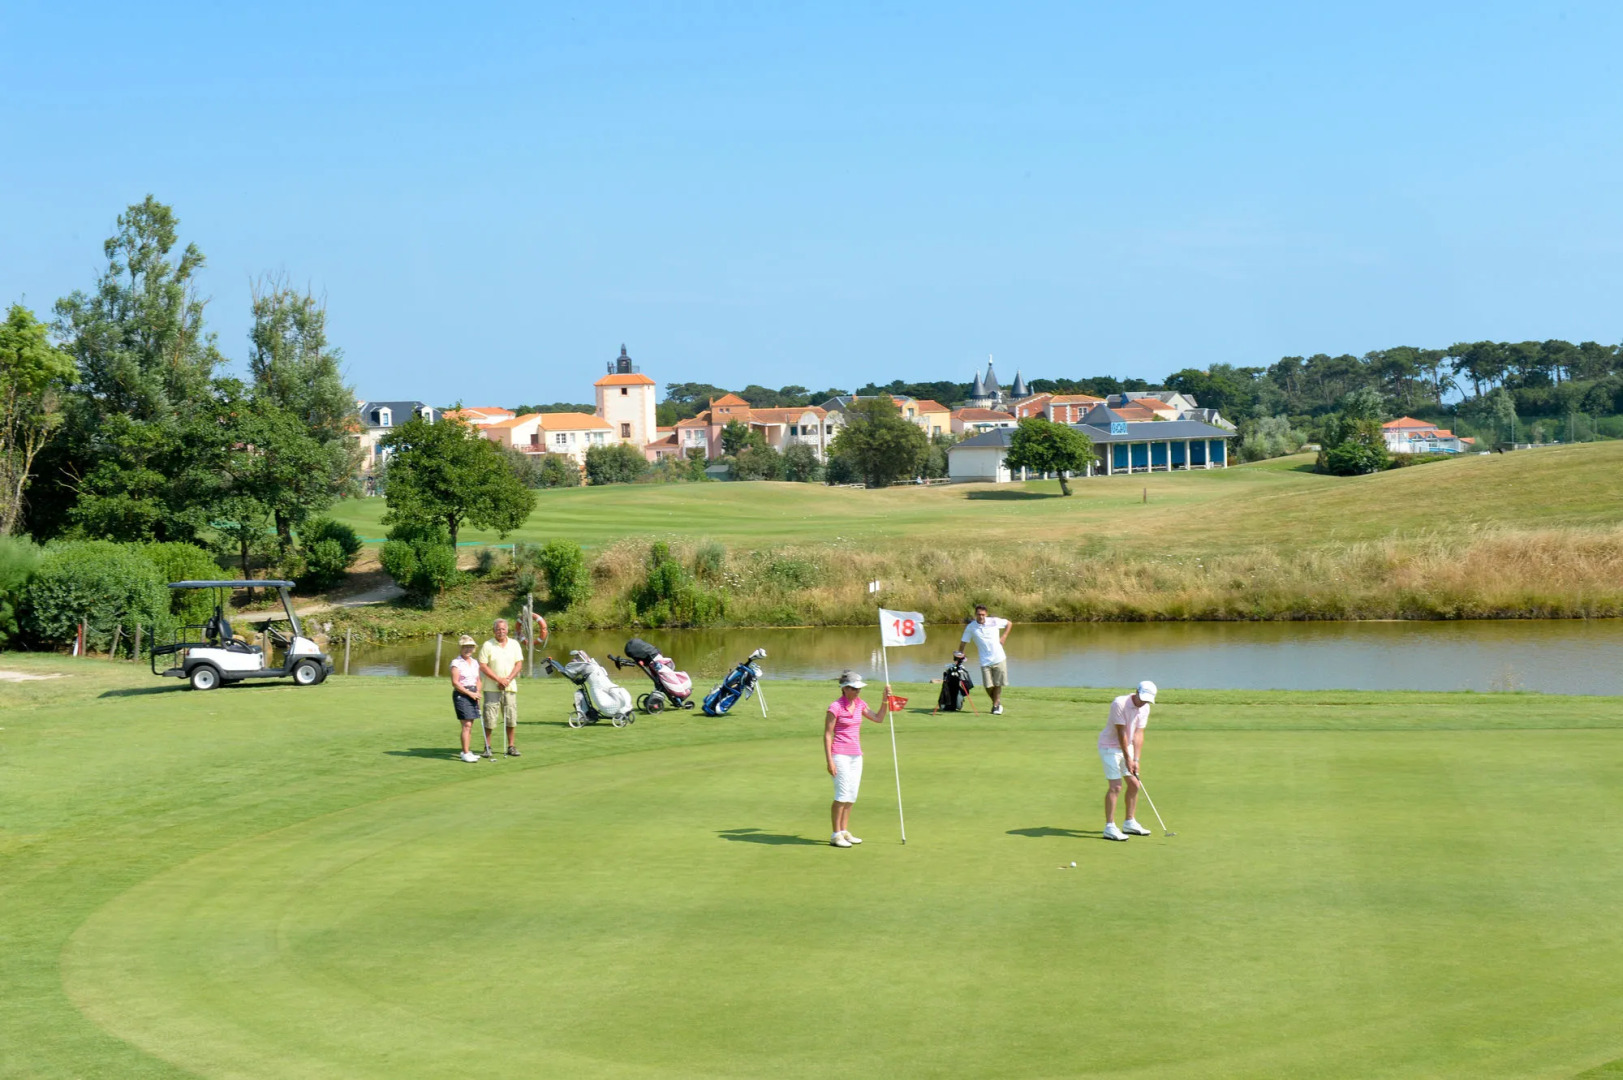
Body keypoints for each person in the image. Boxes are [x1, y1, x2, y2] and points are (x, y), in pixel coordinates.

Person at [824, 670, 886, 848]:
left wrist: (885, 700)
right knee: (842, 795)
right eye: (854, 688)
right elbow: (827, 734)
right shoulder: (835, 707)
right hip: (839, 754)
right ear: (845, 688)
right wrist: (830, 761)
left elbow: (878, 718)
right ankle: (836, 835)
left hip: (856, 755)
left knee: (851, 795)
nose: (858, 691)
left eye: (859, 689)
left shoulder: (860, 704)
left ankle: (844, 831)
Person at [1098, 680, 1157, 841]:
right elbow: (1121, 733)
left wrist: (1136, 759)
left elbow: (1138, 733)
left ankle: (1129, 822)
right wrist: (1128, 758)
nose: (1143, 702)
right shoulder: (1119, 703)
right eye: (1142, 698)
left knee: (1134, 784)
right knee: (1116, 786)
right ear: (1136, 692)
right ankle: (1109, 827)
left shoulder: (1145, 707)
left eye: (1147, 700)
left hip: (1128, 747)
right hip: (1109, 747)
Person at [477, 618, 525, 757]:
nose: (501, 631)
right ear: (494, 631)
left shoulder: (514, 644)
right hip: (491, 687)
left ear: (507, 630)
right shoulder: (488, 645)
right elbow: (483, 666)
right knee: (490, 718)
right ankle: (487, 747)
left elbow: (519, 664)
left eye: (503, 629)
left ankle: (511, 746)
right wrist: (498, 679)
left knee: (511, 717)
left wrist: (507, 679)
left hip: (510, 687)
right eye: (498, 629)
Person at [960, 604, 1012, 714]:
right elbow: (963, 642)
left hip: (999, 657)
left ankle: (996, 706)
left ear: (986, 614)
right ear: (975, 614)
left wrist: (1004, 636)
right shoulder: (971, 627)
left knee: (997, 683)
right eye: (979, 614)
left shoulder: (994, 621)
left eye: (983, 614)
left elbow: (1009, 623)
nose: (981, 617)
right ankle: (997, 703)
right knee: (988, 685)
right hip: (985, 661)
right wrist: (960, 655)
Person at [449, 635, 483, 762]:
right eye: (465, 647)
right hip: (461, 694)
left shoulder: (475, 662)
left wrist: (477, 692)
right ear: (461, 647)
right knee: (466, 724)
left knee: (470, 724)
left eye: (471, 647)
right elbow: (455, 683)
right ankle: (465, 753)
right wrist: (470, 693)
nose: (468, 649)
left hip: (473, 692)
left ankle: (467, 750)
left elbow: (478, 680)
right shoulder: (456, 663)